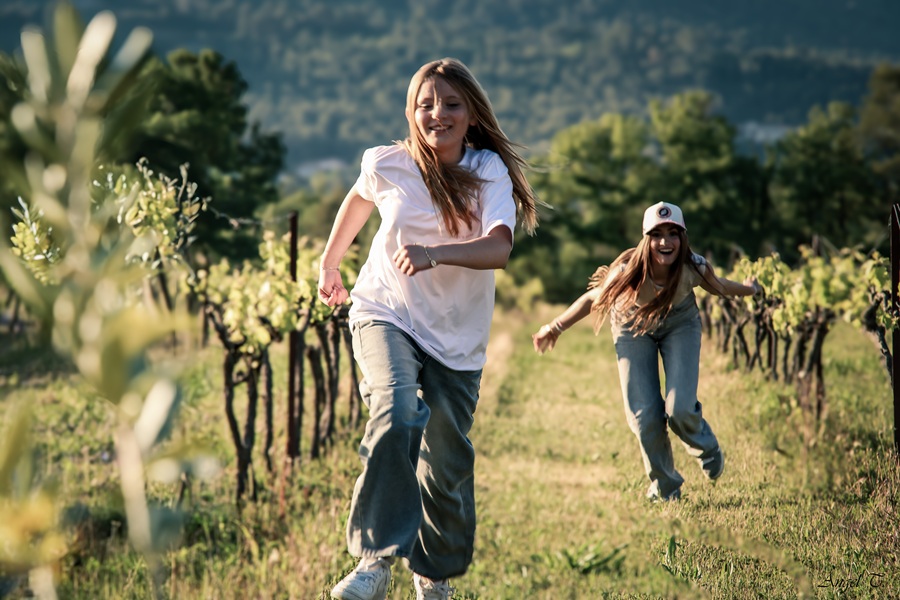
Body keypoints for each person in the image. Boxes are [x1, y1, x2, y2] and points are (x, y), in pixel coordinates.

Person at [318, 58, 539, 600]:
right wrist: (329, 263)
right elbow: (359, 198)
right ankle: (374, 559)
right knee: (395, 408)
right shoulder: (387, 162)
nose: (436, 114)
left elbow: (499, 247)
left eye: (450, 104)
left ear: (471, 115)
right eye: (425, 104)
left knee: (445, 460)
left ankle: (433, 576)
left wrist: (435, 254)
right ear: (411, 112)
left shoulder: (489, 171)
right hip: (385, 309)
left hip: (457, 337)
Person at [532, 201, 761, 502]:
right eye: (657, 234)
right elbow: (592, 299)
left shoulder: (693, 267)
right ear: (646, 240)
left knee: (679, 408)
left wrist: (751, 290)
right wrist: (554, 327)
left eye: (673, 233)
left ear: (683, 237)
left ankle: (707, 447)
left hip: (680, 323)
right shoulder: (628, 273)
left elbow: (722, 287)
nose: (665, 242)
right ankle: (666, 488)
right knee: (644, 416)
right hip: (631, 325)